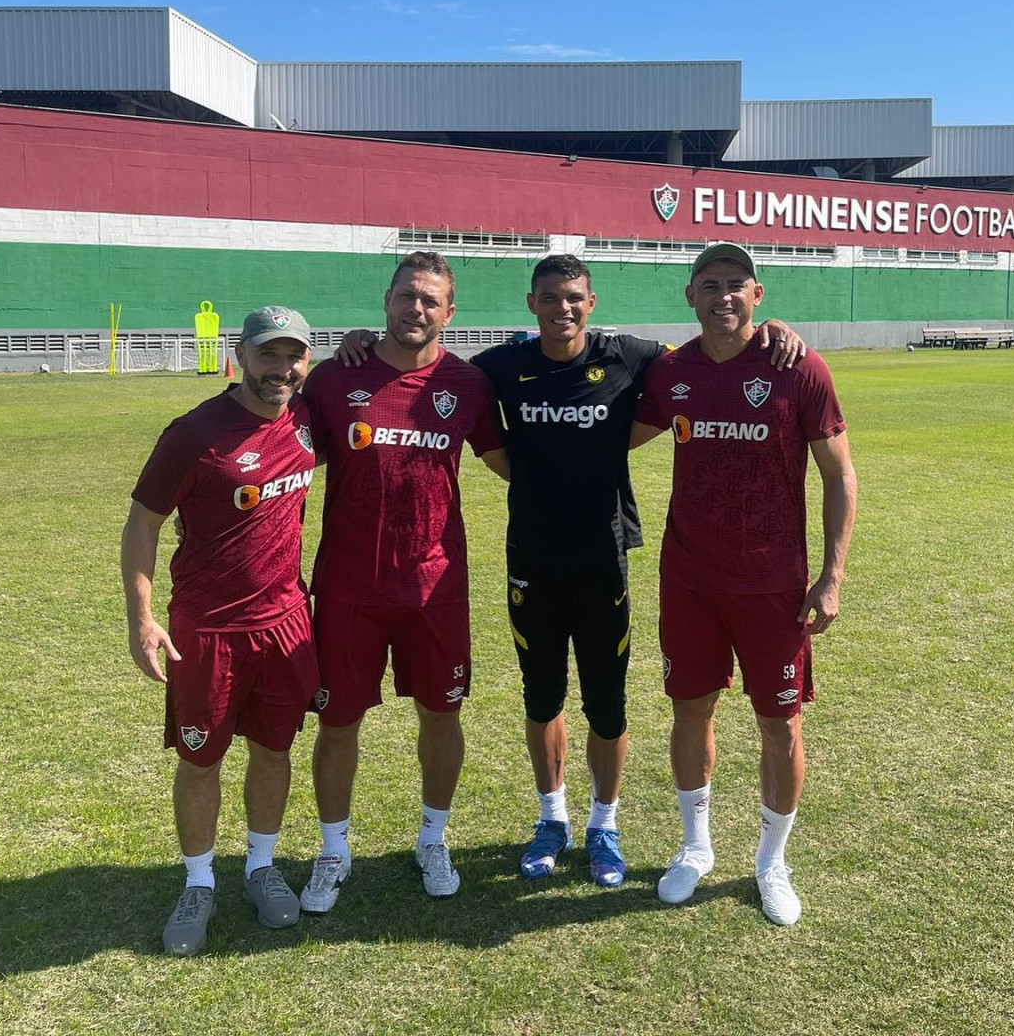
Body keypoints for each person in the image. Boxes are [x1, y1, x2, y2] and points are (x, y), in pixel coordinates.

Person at [339, 253, 806, 888]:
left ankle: (603, 824)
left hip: (602, 559)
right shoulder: (496, 370)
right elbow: (435, 379)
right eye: (551, 298)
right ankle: (551, 818)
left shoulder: (637, 358)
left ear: (593, 303)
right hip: (531, 558)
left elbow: (713, 346)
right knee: (542, 695)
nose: (564, 308)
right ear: (532, 304)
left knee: (608, 705)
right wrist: (363, 343)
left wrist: (771, 327)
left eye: (575, 298)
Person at [631, 243, 857, 926]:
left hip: (773, 585)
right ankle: (695, 848)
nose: (722, 297)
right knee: (689, 711)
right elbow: (611, 429)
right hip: (691, 580)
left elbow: (839, 474)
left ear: (758, 294)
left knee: (779, 723)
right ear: (689, 296)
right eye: (709, 285)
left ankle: (771, 862)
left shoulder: (797, 366)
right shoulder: (671, 372)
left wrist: (832, 574)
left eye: (735, 286)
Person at [299, 252, 508, 912]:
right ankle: (333, 851)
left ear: (449, 313)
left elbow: (510, 465)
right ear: (385, 300)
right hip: (348, 587)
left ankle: (433, 840)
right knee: (338, 723)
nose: (415, 309)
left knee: (441, 716)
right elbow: (288, 456)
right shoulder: (336, 378)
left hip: (434, 586)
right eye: (406, 296)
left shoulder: (467, 386)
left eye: (430, 301)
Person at [122, 306, 320, 957]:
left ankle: (262, 868)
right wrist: (142, 618)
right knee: (199, 759)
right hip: (207, 632)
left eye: (293, 356)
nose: (281, 369)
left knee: (273, 751)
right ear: (241, 355)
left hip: (287, 625)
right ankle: (200, 882)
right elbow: (144, 523)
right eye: (269, 355)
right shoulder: (194, 433)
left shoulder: (308, 419)